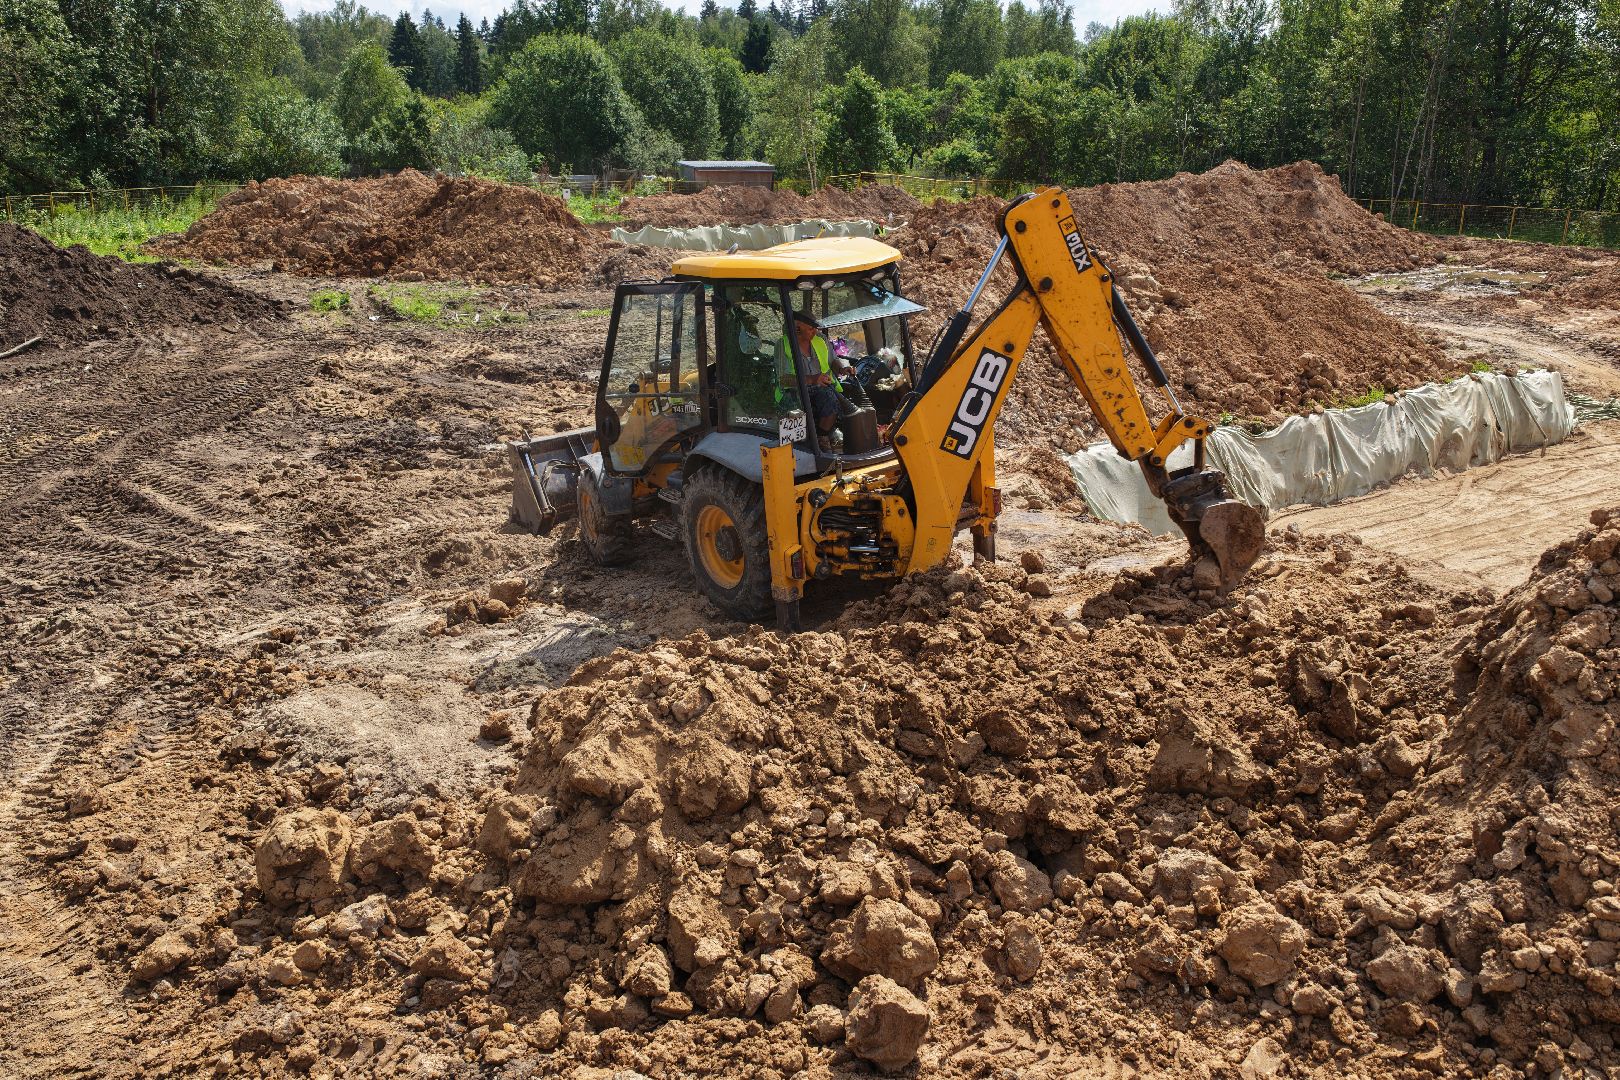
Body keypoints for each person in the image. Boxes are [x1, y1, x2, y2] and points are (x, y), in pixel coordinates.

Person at [783, 309, 844, 449]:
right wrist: (812, 379)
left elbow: (833, 360)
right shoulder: (783, 345)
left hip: (822, 387)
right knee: (793, 409)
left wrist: (842, 369)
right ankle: (795, 449)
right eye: (811, 329)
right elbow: (783, 380)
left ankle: (822, 437)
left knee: (831, 398)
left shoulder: (820, 339)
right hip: (794, 391)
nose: (815, 331)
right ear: (797, 329)